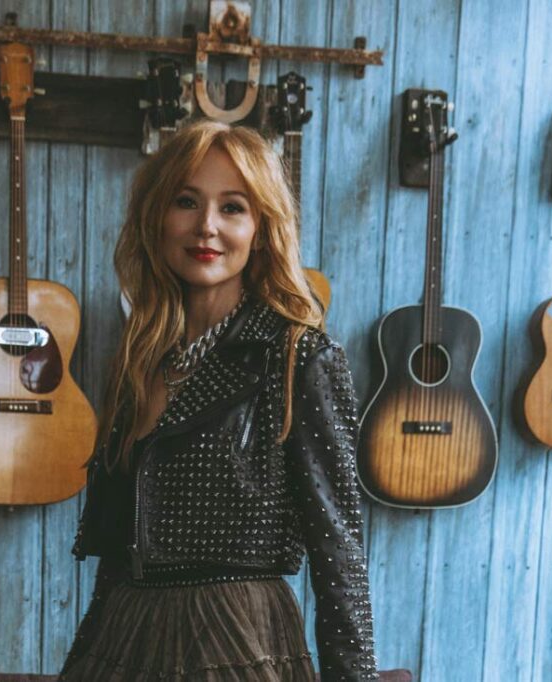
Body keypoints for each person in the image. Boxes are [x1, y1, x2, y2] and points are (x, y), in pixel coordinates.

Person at [59, 119, 377, 681]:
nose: (206, 226)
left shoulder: (299, 357)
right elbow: (119, 554)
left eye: (233, 207)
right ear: (157, 216)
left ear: (261, 228)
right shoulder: (142, 359)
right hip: (124, 633)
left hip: (235, 638)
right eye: (186, 200)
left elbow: (340, 554)